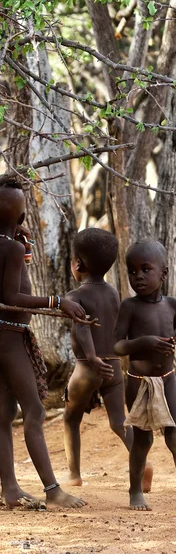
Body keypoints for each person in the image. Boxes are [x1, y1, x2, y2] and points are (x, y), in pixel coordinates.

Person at [0, 174, 86, 508]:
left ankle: (9, 489)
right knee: (34, 409)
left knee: (4, 412)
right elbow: (11, 295)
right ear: (22, 217)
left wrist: (23, 243)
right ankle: (53, 491)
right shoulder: (11, 247)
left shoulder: (11, 245)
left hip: (6, 335)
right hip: (9, 337)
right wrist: (57, 302)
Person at [113, 240, 176, 517]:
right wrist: (143, 342)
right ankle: (135, 491)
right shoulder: (129, 307)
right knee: (142, 441)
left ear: (163, 274)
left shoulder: (173, 305)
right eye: (132, 272)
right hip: (138, 382)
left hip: (167, 380)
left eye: (145, 269)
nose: (138, 277)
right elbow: (116, 346)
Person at [63, 228, 153, 492]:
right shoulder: (113, 292)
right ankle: (142, 461)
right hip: (113, 365)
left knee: (71, 418)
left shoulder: (74, 296)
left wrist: (90, 357)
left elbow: (82, 327)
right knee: (118, 421)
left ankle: (74, 474)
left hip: (87, 367)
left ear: (78, 264)